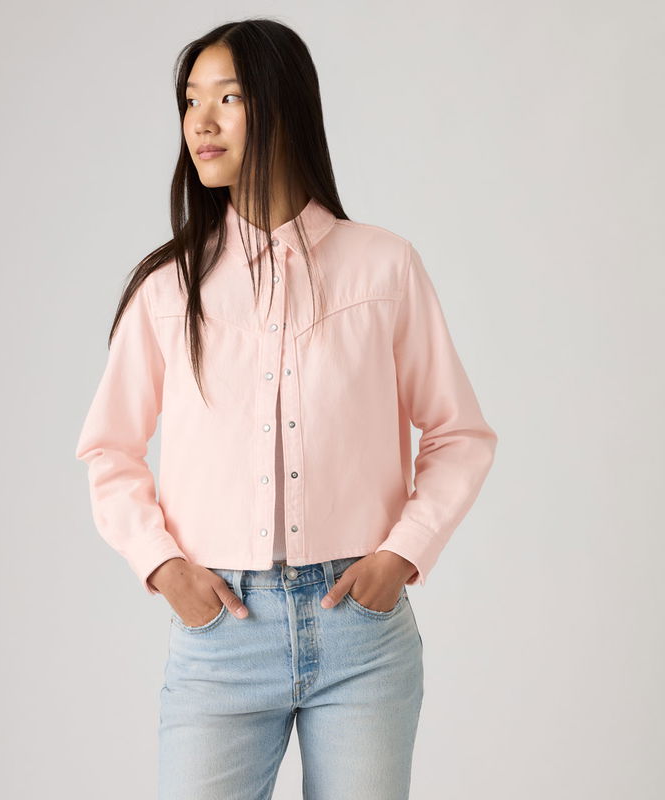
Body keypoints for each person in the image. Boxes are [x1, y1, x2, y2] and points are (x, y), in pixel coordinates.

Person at [74, 17, 498, 800]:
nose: (201, 121)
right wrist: (163, 566)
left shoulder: (384, 267)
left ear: (284, 106)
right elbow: (108, 449)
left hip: (361, 634)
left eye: (228, 98)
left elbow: (459, 433)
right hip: (222, 634)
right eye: (191, 100)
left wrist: (401, 553)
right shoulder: (169, 288)